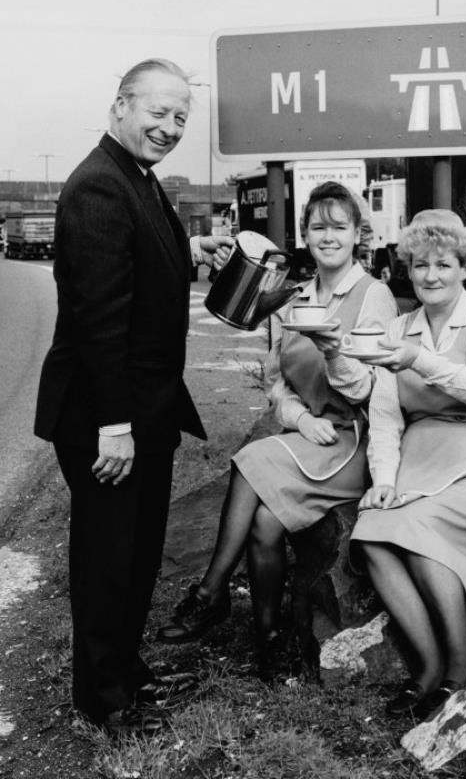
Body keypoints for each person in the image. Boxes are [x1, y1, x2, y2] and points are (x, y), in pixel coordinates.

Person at [34, 59, 233, 735]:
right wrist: (113, 426)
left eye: (182, 116)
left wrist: (193, 246)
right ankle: (104, 699)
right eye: (160, 112)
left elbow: (139, 261)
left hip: (145, 408)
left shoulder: (138, 181)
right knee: (107, 560)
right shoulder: (98, 188)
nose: (171, 127)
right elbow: (97, 321)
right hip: (104, 415)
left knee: (140, 552)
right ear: (121, 105)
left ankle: (126, 669)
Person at [157, 181, 398, 680]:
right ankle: (269, 643)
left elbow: (369, 392)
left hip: (354, 442)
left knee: (249, 459)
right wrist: (300, 419)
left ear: (358, 234)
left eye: (338, 227)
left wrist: (333, 352)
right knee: (265, 524)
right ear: (305, 235)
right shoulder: (296, 297)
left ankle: (211, 590)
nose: (327, 236)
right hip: (308, 436)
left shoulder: (373, 296)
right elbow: (276, 381)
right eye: (317, 227)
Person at [350, 209, 466, 721]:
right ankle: (427, 667)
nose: (431, 275)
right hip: (425, 464)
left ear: (464, 268)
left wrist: (417, 360)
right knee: (372, 534)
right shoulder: (396, 328)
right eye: (420, 265)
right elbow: (386, 419)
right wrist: (384, 480)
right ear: (408, 269)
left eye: (444, 265)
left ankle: (462, 661)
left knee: (420, 531)